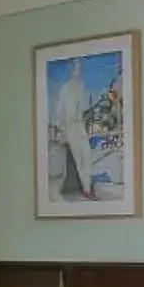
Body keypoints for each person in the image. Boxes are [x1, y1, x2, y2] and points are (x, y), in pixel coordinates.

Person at [49, 58, 95, 201]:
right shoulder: (65, 88)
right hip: (70, 127)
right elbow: (59, 110)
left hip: (80, 125)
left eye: (79, 67)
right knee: (79, 158)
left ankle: (87, 186)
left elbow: (83, 106)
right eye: (75, 67)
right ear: (71, 69)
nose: (77, 70)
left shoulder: (81, 86)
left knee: (87, 156)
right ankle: (86, 188)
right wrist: (62, 129)